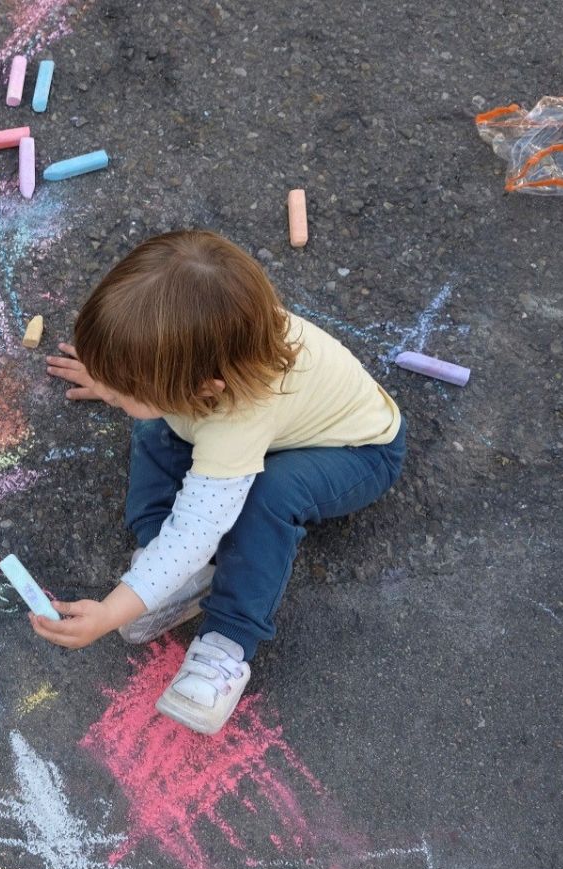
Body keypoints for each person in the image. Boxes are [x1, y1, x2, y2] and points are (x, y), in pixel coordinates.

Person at [40, 230, 406, 734]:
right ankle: (172, 572)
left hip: (358, 454)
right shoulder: (212, 344)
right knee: (154, 426)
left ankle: (226, 642)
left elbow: (197, 527)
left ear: (202, 388)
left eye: (123, 383)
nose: (110, 391)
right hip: (249, 425)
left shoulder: (241, 418)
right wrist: (112, 375)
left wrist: (109, 612)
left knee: (267, 496)